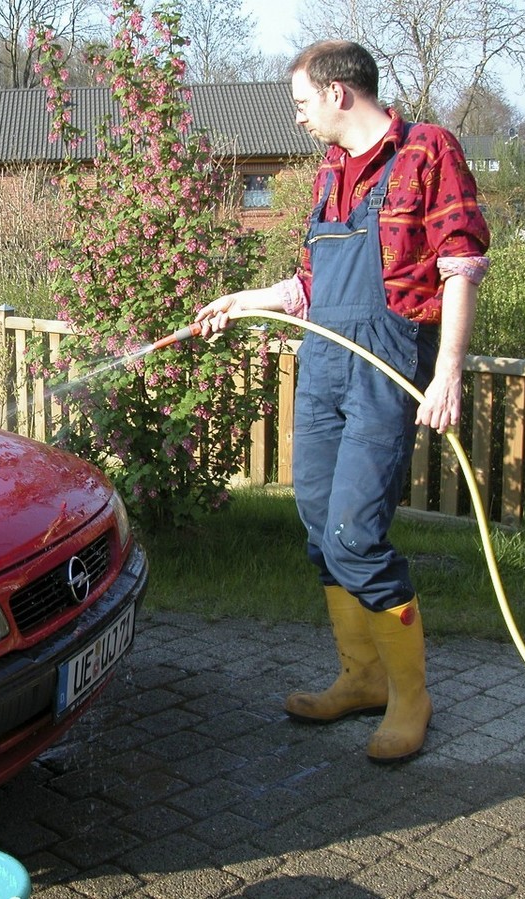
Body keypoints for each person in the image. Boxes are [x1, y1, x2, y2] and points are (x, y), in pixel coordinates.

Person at [196, 40, 490, 763]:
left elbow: (461, 263)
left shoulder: (426, 151)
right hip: (324, 361)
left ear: (337, 93)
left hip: (385, 364)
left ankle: (410, 695)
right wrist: (242, 301)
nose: (298, 120)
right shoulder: (330, 174)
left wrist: (447, 371)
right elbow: (309, 286)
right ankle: (360, 677)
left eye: (301, 103)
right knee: (320, 524)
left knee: (357, 532)